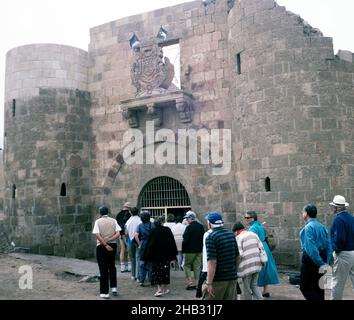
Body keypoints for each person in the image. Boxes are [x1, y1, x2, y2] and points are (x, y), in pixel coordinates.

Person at [203, 211, 240, 300]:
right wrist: (234, 271)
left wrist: (209, 283)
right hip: (232, 278)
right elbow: (238, 256)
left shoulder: (211, 237)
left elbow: (212, 262)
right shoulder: (231, 234)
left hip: (218, 279)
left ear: (210, 224)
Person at [299, 204, 332, 300]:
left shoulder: (308, 228)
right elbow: (329, 245)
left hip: (311, 260)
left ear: (306, 214)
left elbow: (311, 249)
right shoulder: (322, 227)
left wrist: (321, 263)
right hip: (322, 257)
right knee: (318, 287)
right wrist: (327, 261)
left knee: (305, 287)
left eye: (303, 212)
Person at [245, 211, 279, 297]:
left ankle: (253, 290)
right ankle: (265, 290)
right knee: (265, 269)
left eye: (247, 217)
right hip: (265, 248)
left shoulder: (253, 228)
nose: (246, 219)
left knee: (255, 270)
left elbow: (251, 241)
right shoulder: (259, 225)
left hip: (258, 248)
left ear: (252, 218)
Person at [143, 216, 178, 297]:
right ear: (162, 222)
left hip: (156, 256)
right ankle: (164, 288)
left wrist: (147, 255)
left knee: (157, 271)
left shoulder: (153, 231)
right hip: (166, 255)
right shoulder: (167, 230)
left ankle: (159, 289)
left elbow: (150, 245)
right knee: (165, 271)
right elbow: (172, 242)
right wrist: (173, 255)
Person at [92, 206, 121, 299]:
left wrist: (105, 244)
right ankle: (114, 287)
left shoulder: (98, 221)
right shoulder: (113, 221)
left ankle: (104, 292)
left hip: (101, 246)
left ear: (100, 213)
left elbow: (97, 235)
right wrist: (109, 239)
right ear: (107, 212)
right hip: (113, 245)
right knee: (112, 266)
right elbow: (118, 233)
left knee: (103, 269)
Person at [329, 195, 354, 300]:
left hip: (343, 254)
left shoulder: (338, 220)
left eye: (333, 206)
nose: (332, 208)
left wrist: (334, 250)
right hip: (352, 252)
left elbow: (340, 239)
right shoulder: (351, 218)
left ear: (337, 208)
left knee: (337, 283)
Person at [233, 222, 264, 300]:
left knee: (246, 288)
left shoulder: (239, 237)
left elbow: (239, 255)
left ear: (236, 231)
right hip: (257, 264)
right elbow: (261, 249)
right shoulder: (254, 235)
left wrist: (236, 268)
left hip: (247, 266)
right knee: (254, 285)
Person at [182, 211, 205, 290]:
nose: (186, 220)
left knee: (187, 265)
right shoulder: (201, 226)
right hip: (199, 250)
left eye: (187, 218)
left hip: (189, 250)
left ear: (191, 218)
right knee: (197, 267)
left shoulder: (189, 227)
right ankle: (197, 283)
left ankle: (190, 282)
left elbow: (185, 239)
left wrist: (183, 249)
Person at [134, 210, 154, 286]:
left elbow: (136, 235)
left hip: (143, 244)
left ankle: (141, 280)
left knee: (142, 263)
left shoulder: (140, 226)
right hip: (151, 245)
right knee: (150, 263)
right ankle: (150, 280)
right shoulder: (152, 225)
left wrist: (139, 244)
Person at [125, 206, 141, 281]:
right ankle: (138, 276)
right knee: (138, 258)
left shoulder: (128, 221)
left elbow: (126, 233)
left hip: (130, 241)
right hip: (138, 240)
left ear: (130, 212)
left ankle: (133, 275)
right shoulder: (140, 220)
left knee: (132, 258)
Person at [116, 202, 132, 273]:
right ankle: (129, 266)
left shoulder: (118, 214)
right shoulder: (129, 214)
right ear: (129, 208)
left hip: (120, 233)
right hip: (127, 234)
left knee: (122, 249)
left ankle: (122, 267)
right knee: (129, 249)